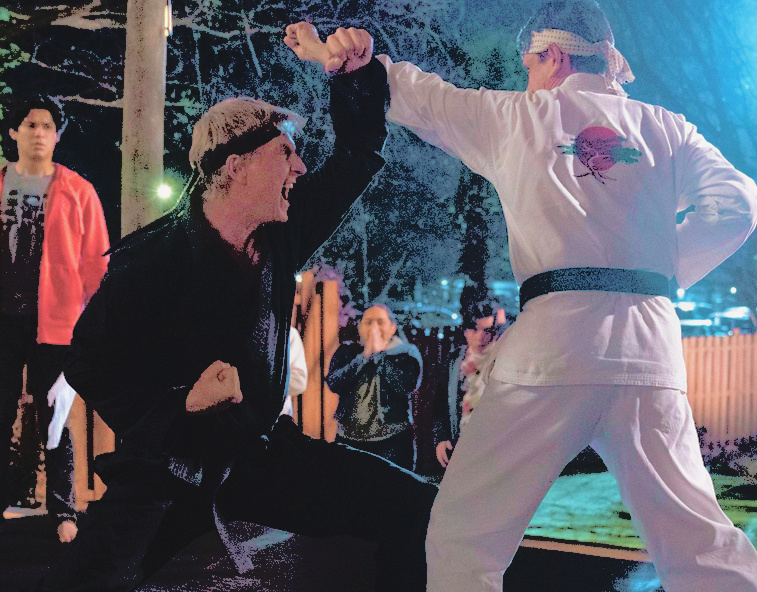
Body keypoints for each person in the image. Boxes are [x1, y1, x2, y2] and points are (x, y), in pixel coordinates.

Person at [361, 1, 757, 590]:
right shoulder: (666, 128)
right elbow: (738, 205)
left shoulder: (521, 118)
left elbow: (426, 98)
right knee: (699, 546)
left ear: (552, 56)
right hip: (647, 353)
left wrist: (362, 63)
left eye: (529, 65)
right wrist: (657, 274)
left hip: (551, 355)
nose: (526, 78)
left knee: (465, 536)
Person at [36, 24, 436, 592]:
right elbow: (90, 363)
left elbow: (355, 158)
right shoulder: (151, 261)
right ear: (233, 165)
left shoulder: (280, 235)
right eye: (284, 153)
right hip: (169, 468)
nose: (299, 168)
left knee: (417, 507)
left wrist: (353, 81)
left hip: (262, 454)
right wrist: (181, 402)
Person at [0, 95, 110, 543]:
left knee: (57, 414)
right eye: (30, 125)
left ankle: (63, 511)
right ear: (13, 132)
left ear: (58, 135)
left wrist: (96, 325)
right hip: (4, 319)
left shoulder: (78, 191)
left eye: (48, 126)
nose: (39, 133)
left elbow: (96, 263)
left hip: (58, 323)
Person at [327, 304, 422, 471]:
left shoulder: (406, 352)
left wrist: (380, 355)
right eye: (368, 322)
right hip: (349, 439)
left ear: (392, 327)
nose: (374, 328)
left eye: (380, 322)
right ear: (360, 327)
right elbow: (334, 383)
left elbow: (405, 387)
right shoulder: (347, 351)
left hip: (392, 439)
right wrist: (363, 358)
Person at [433, 302, 507, 468]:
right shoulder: (455, 360)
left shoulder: (503, 358)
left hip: (494, 445)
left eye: (487, 330)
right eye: (475, 329)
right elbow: (440, 403)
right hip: (460, 441)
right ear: (466, 330)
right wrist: (441, 438)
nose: (480, 337)